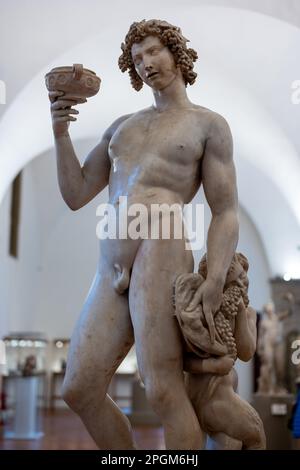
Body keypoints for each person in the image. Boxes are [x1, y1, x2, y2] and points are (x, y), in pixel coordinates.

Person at [48, 19, 239, 450]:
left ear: (177, 54)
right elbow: (77, 194)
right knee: (78, 388)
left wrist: (214, 279)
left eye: (153, 51)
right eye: (136, 59)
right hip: (110, 263)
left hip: (163, 247)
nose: (145, 64)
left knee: (161, 387)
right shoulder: (121, 127)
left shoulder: (208, 124)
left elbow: (225, 211)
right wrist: (60, 133)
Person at [174, 253, 266, 449]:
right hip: (204, 394)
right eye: (237, 279)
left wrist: (240, 311)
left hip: (226, 392)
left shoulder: (247, 313)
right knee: (256, 435)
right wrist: (213, 365)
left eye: (244, 277)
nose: (243, 284)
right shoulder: (199, 311)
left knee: (232, 444)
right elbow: (181, 361)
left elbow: (246, 352)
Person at [257, 295, 294, 394]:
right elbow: (260, 336)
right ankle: (268, 388)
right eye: (268, 308)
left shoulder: (277, 318)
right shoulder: (264, 322)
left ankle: (277, 386)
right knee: (268, 365)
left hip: (277, 344)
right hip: (267, 343)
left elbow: (289, 312)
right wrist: (259, 349)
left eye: (271, 307)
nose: (270, 309)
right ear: (266, 310)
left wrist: (290, 301)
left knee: (279, 367)